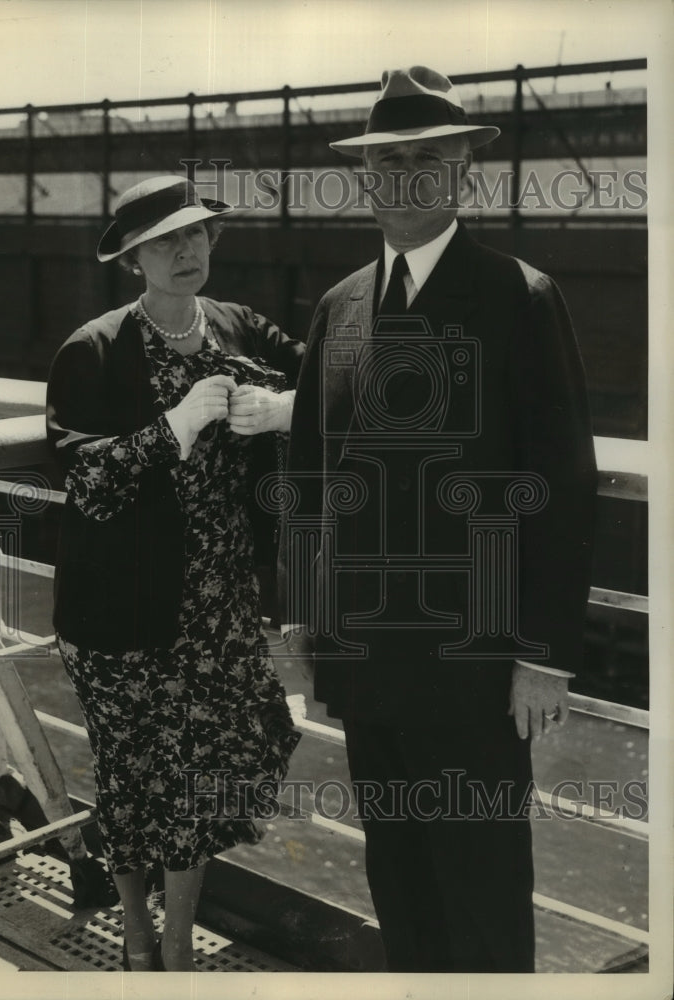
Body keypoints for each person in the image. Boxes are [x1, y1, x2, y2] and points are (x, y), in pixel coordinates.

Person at [281, 66, 597, 972]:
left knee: (483, 879)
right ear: (368, 177)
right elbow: (309, 477)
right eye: (388, 162)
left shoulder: (516, 296)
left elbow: (562, 482)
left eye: (427, 160)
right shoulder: (338, 306)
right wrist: (301, 618)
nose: (404, 178)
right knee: (399, 873)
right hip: (366, 654)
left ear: (461, 173)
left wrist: (543, 656)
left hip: (478, 663)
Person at [46, 175, 303, 971]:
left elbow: (337, 373)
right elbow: (86, 483)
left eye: (196, 234)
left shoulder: (239, 328)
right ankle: (135, 929)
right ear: (132, 257)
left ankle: (182, 934)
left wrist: (287, 406)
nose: (187, 251)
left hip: (220, 604)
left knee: (213, 770)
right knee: (134, 780)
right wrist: (174, 427)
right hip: (122, 610)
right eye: (166, 240)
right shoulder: (91, 349)